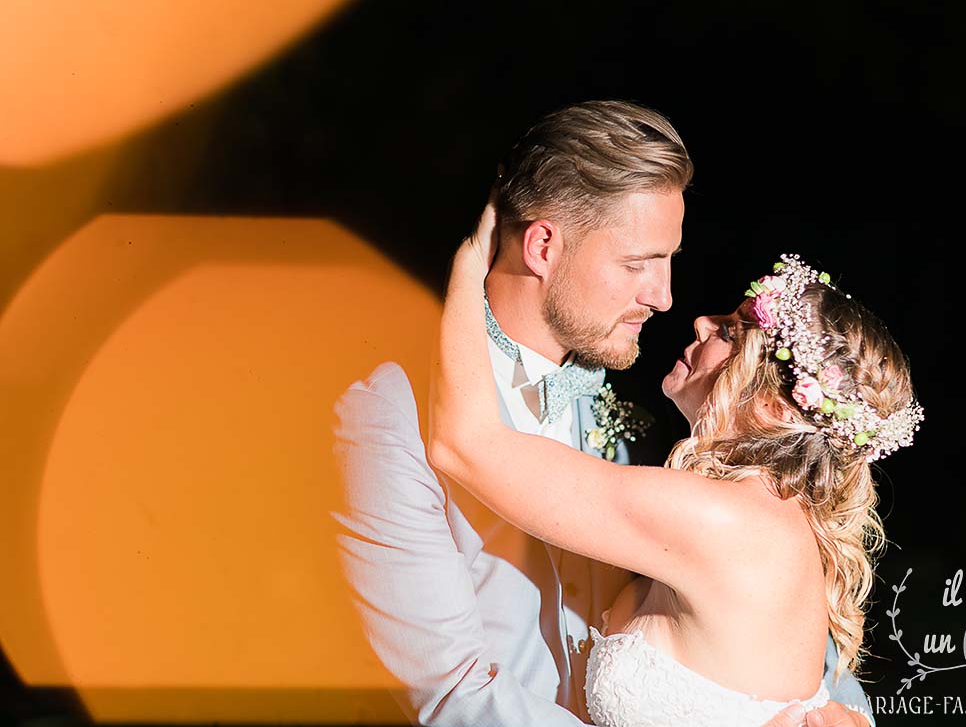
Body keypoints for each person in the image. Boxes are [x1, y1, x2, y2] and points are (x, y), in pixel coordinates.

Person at [334, 100, 876, 726]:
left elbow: (762, 599)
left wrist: (842, 710)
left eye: (668, 259)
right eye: (637, 263)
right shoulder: (391, 416)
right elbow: (455, 692)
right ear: (542, 246)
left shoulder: (651, 402)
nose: (665, 296)